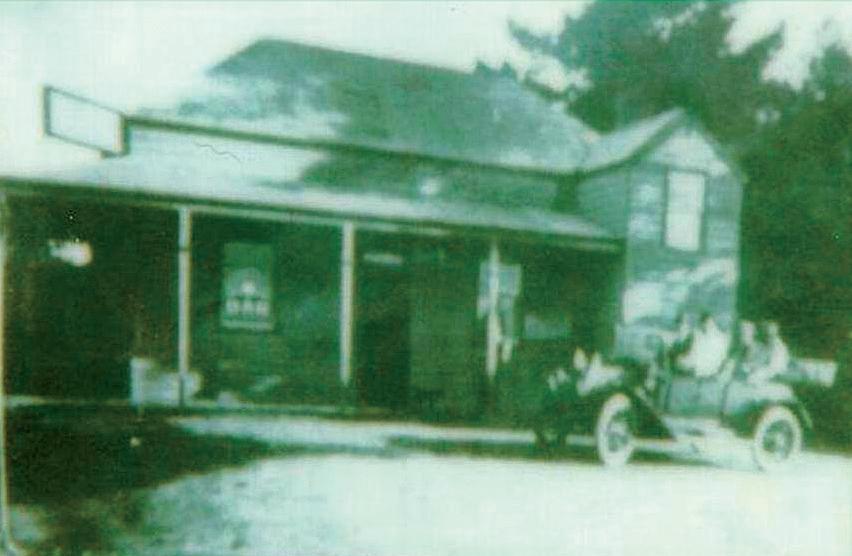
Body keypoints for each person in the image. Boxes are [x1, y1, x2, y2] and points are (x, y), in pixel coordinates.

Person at [679, 312, 730, 378]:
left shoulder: (698, 335)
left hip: (703, 372)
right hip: (712, 372)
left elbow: (691, 358)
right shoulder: (722, 337)